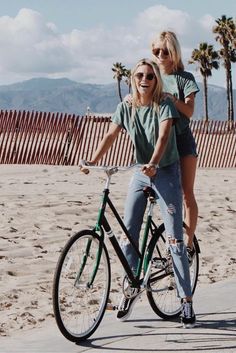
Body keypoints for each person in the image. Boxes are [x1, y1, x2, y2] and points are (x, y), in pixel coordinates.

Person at [80, 58, 196, 328]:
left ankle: (186, 301)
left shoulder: (164, 104)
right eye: (139, 75)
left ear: (156, 80)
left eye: (150, 76)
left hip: (165, 170)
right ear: (133, 78)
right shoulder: (126, 106)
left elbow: (164, 136)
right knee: (127, 234)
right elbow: (110, 135)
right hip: (140, 172)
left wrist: (155, 162)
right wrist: (93, 161)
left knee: (175, 241)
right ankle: (130, 288)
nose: (144, 79)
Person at [151, 31, 200, 263]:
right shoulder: (151, 75)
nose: (160, 55)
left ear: (174, 52)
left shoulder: (184, 78)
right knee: (164, 195)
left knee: (186, 194)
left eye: (165, 51)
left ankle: (188, 246)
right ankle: (169, 240)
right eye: (156, 50)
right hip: (160, 142)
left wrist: (172, 99)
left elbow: (189, 111)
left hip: (182, 140)